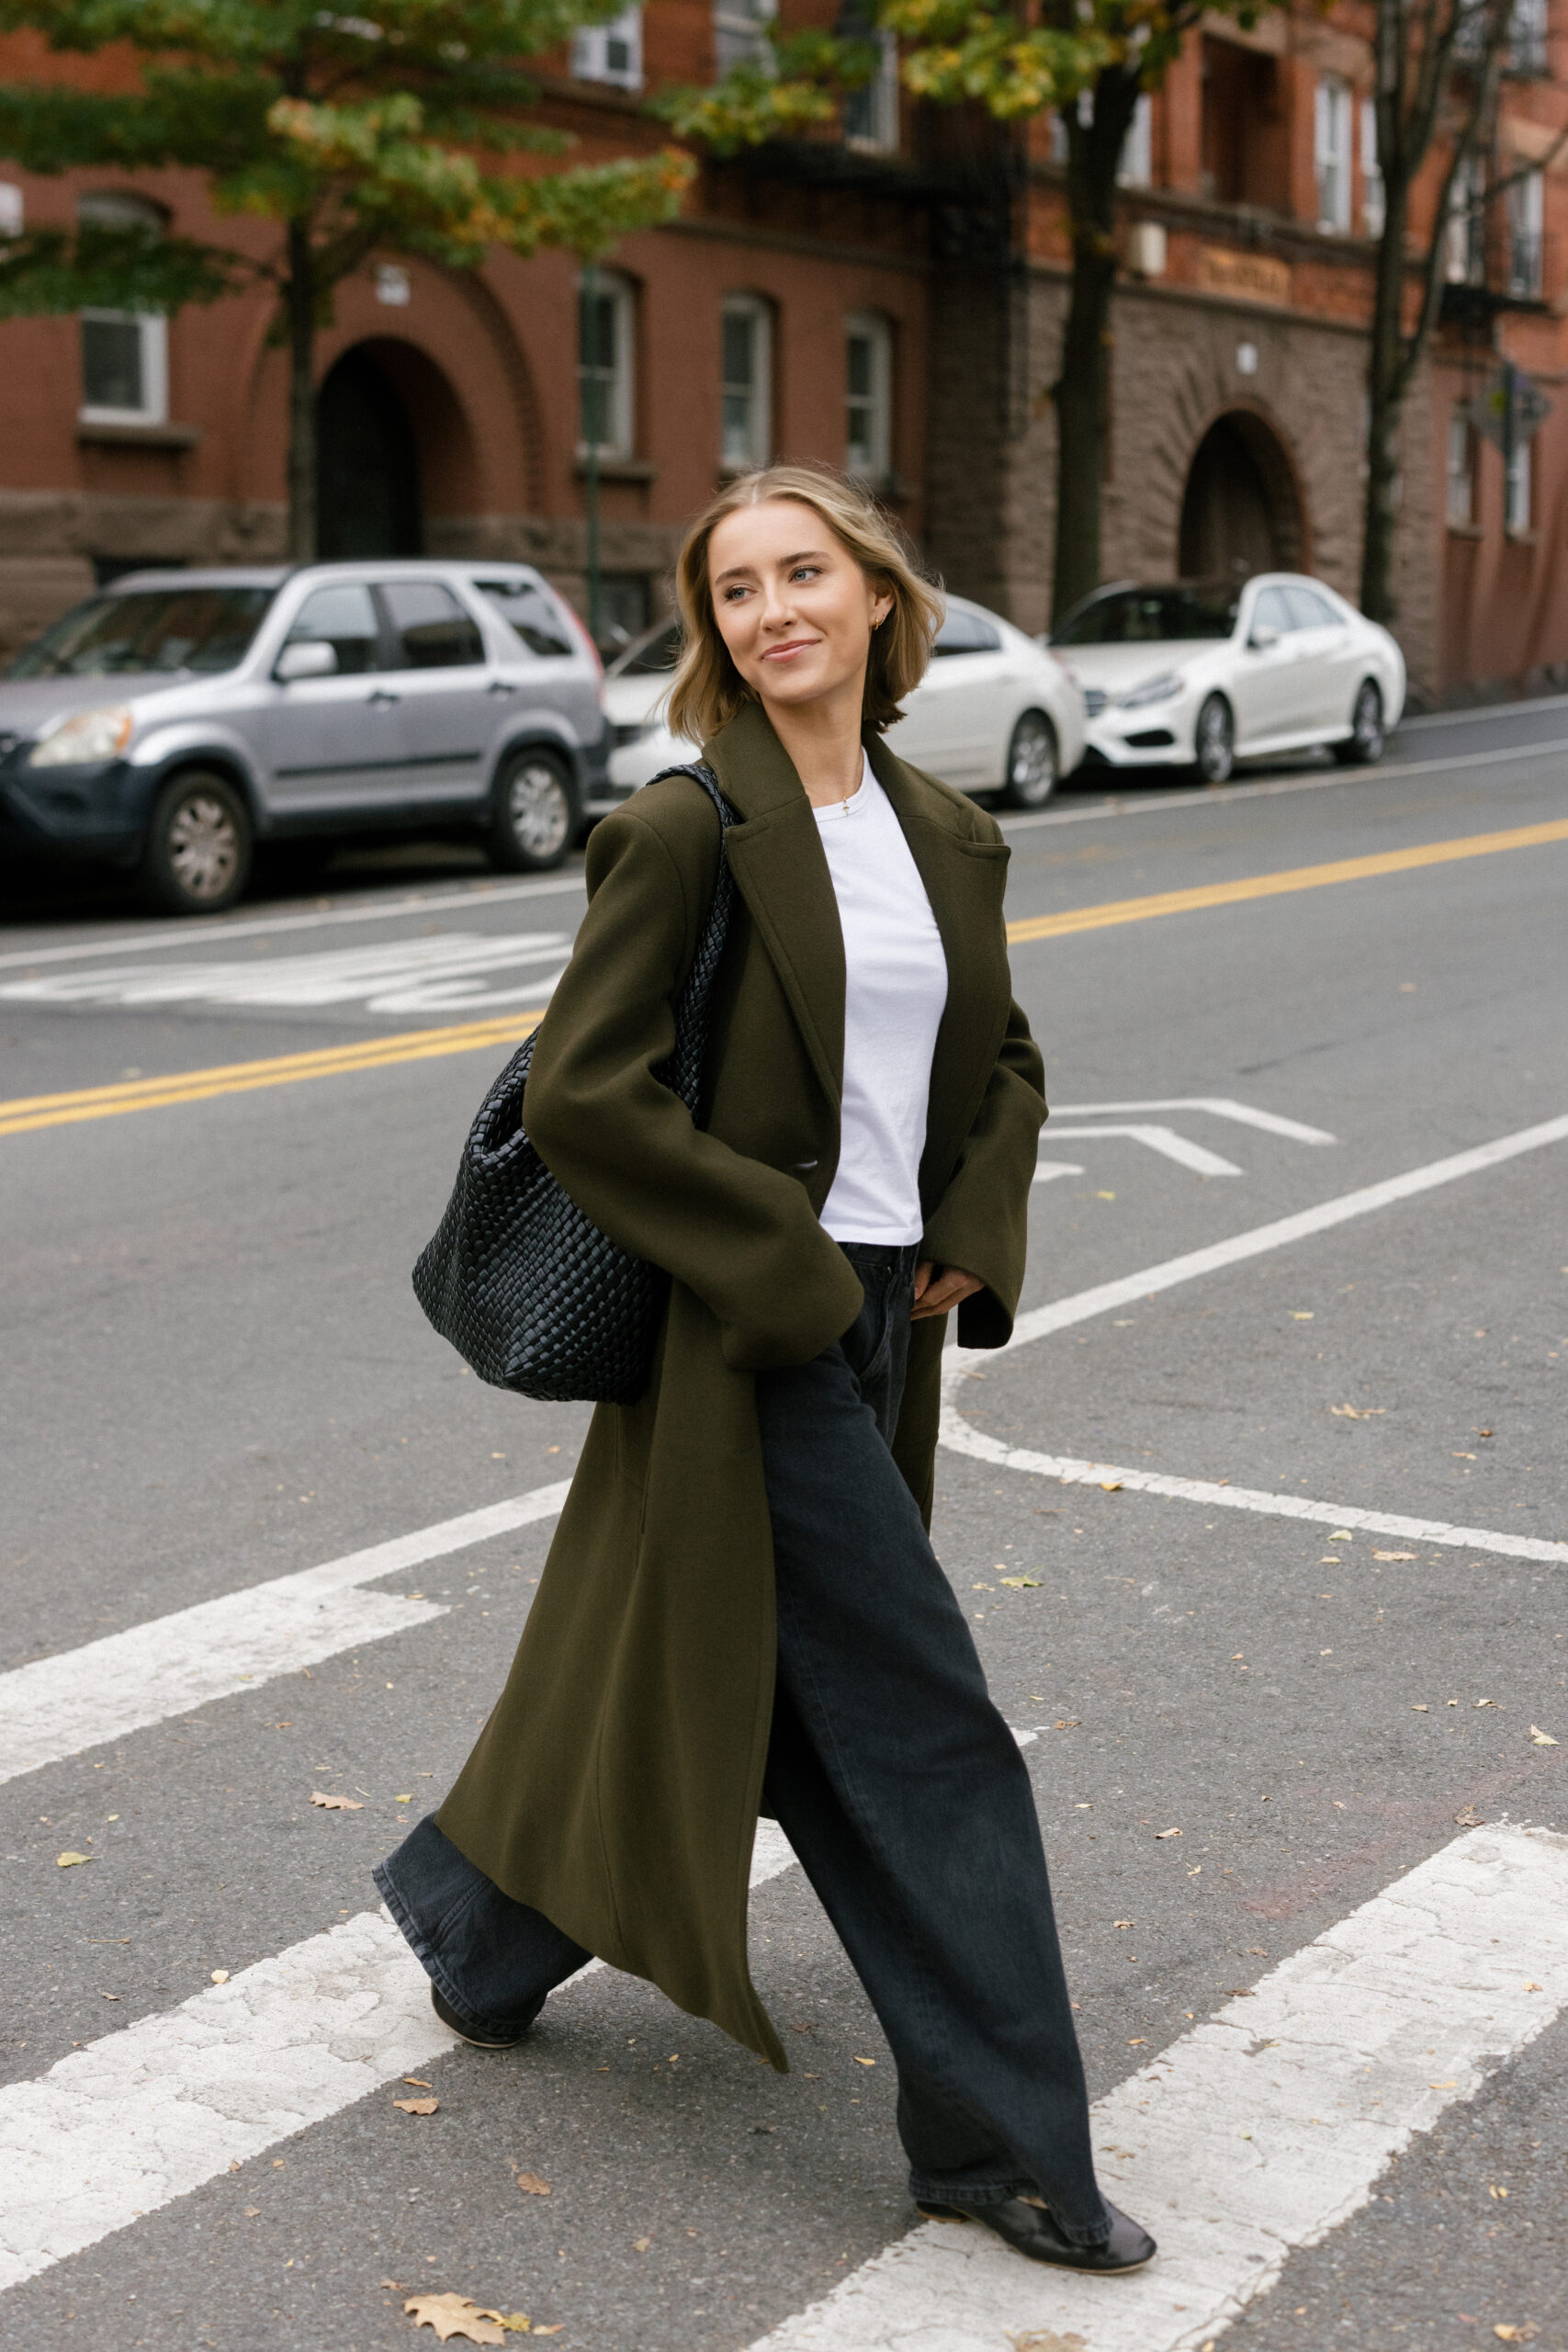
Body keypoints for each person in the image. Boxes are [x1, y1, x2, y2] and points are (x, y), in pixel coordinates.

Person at [375, 461, 1155, 2275]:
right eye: (737, 589)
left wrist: (976, 1207)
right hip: (756, 1323)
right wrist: (784, 1268)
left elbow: (1001, 1048)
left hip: (887, 1316)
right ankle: (997, 2139)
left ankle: (478, 1922)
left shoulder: (945, 830)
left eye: (805, 573)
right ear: (715, 631)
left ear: (877, 596)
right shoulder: (677, 827)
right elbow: (584, 1088)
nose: (774, 609)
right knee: (923, 1719)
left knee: (728, 1669)